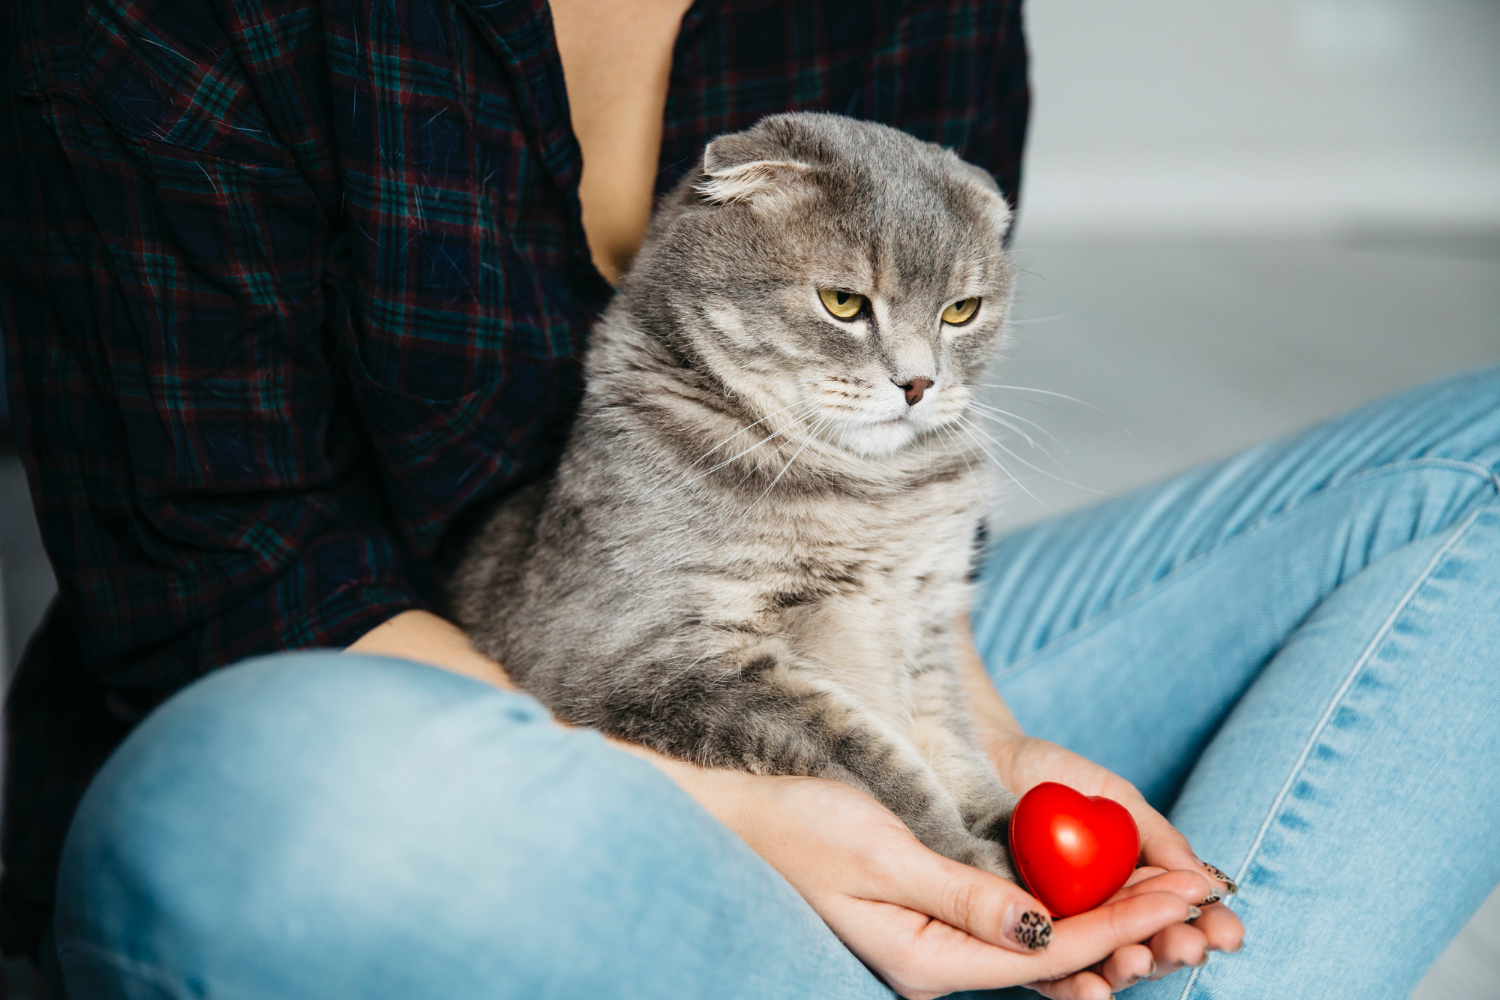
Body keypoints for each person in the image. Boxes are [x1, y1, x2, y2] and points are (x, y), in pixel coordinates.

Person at [1, 0, 1495, 997]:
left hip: (834, 650)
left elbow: (917, 486)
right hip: (454, 724)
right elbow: (229, 581)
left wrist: (986, 756)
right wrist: (769, 820)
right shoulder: (164, 29)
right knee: (272, 805)